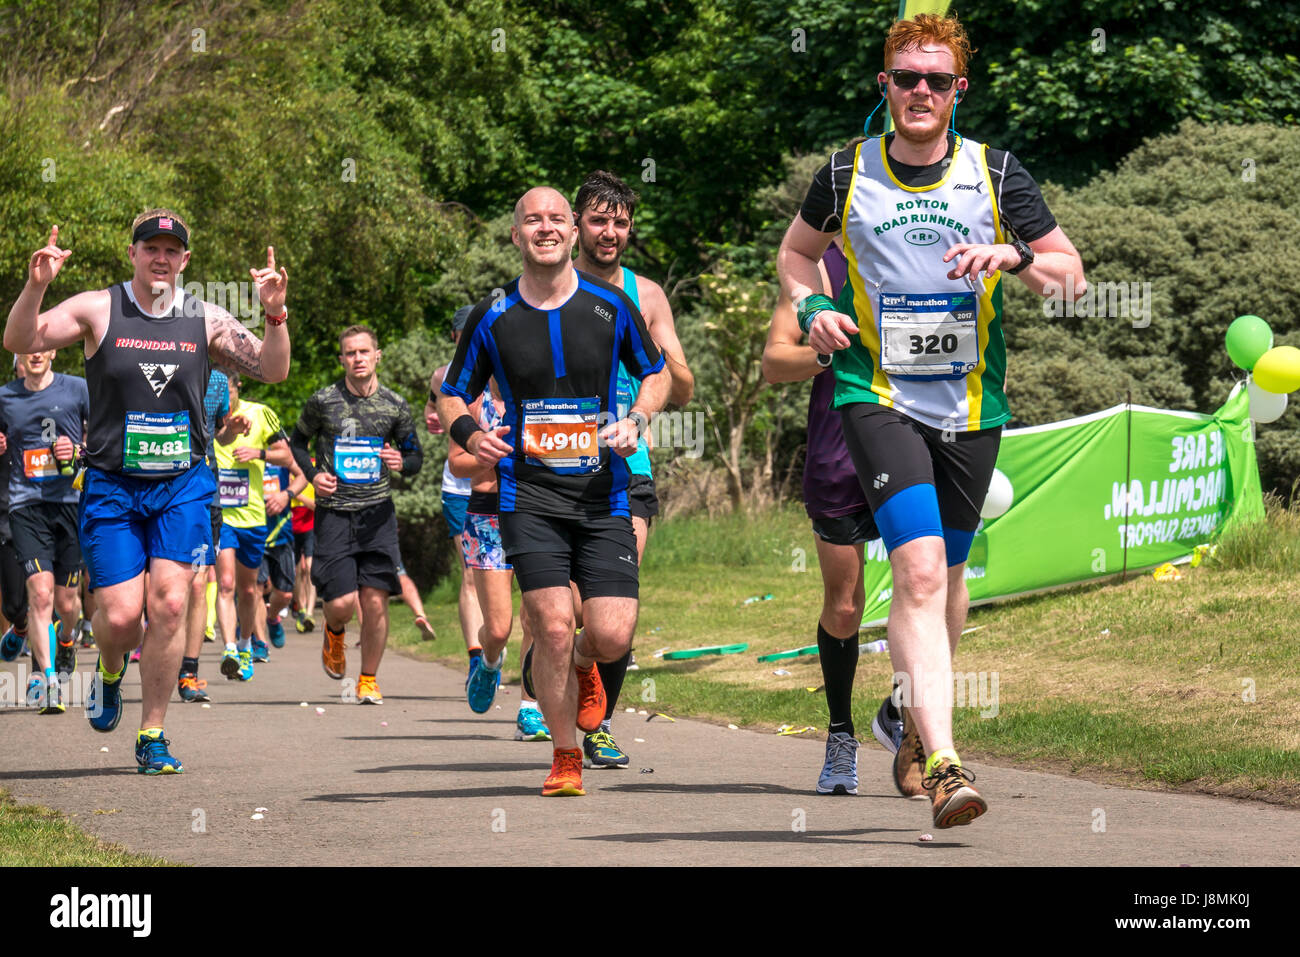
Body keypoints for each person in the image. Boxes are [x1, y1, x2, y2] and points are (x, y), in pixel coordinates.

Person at [776, 12, 1086, 827]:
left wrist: (1014, 257)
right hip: (876, 396)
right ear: (885, 85)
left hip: (971, 406)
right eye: (906, 78)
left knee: (948, 586)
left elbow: (1071, 277)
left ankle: (909, 720)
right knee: (915, 572)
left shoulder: (997, 172)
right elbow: (795, 251)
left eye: (936, 79)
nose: (920, 91)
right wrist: (811, 304)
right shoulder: (846, 171)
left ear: (959, 90)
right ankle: (948, 764)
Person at [4, 211, 290, 774]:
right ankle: (110, 675)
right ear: (131, 253)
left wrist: (276, 313)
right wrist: (37, 284)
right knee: (118, 615)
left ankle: (152, 732)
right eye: (150, 247)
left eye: (171, 250)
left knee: (172, 603)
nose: (161, 257)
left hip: (183, 484)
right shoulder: (97, 308)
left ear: (184, 262)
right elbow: (18, 338)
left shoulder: (205, 318)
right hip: (112, 485)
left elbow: (272, 370)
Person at [437, 186, 668, 797]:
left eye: (557, 219)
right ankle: (566, 754)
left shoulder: (611, 304)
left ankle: (589, 667)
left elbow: (656, 371)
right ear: (516, 236)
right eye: (532, 219)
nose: (546, 227)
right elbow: (452, 389)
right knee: (552, 626)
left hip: (605, 495)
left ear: (572, 233)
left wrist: (638, 420)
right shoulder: (493, 314)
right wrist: (470, 432)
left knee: (611, 632)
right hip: (527, 497)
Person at [764, 229, 899, 795]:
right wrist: (827, 348)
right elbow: (774, 362)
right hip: (840, 450)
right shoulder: (817, 269)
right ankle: (841, 734)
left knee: (930, 587)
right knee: (845, 608)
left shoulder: (928, 248)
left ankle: (900, 713)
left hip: (917, 439)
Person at [569, 170, 694, 769]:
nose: (610, 231)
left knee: (614, 601)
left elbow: (682, 384)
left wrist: (659, 360)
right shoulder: (550, 289)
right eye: (599, 219)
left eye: (620, 221)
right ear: (575, 226)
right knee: (565, 608)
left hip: (627, 466)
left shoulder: (645, 295)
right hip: (556, 467)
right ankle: (559, 661)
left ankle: (599, 724)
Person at [290, 325, 422, 705]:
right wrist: (313, 475)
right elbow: (297, 442)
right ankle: (334, 631)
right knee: (343, 603)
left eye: (364, 351)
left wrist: (403, 461)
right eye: (350, 353)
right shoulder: (323, 401)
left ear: (377, 355)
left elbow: (415, 456)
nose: (358, 359)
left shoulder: (395, 405)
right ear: (341, 360)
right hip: (334, 515)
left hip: (377, 515)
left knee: (376, 599)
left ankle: (367, 679)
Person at [447, 380, 550, 741]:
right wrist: (486, 456)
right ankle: (489, 662)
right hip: (488, 517)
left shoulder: (546, 392)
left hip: (538, 511)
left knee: (539, 616)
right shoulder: (473, 403)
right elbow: (457, 465)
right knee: (498, 629)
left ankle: (530, 708)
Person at [0, 350, 89, 712]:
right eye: (28, 348)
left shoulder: (78, 390)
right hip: (25, 506)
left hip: (69, 504)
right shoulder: (5, 396)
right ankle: (47, 682)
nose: (36, 354)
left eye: (43, 346)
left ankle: (67, 638)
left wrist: (79, 449)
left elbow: (105, 438)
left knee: (67, 604)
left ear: (53, 350)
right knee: (40, 594)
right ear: (19, 354)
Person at [213, 372, 292, 679]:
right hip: (222, 518)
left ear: (237, 388)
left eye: (226, 392)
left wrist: (258, 453)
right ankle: (229, 648)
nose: (221, 400)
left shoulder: (260, 413)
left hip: (253, 518)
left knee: (249, 591)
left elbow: (287, 455)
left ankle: (245, 644)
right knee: (227, 584)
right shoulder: (203, 418)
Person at [425, 306, 484, 673]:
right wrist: (435, 419)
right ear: (455, 337)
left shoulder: (505, 367)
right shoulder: (442, 376)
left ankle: (498, 639)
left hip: (502, 486)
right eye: (465, 335)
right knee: (470, 572)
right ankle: (476, 655)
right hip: (460, 487)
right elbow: (433, 412)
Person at [177, 366, 229, 703]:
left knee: (197, 582)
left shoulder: (219, 381)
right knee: (150, 590)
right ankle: (125, 651)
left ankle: (188, 673)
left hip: (202, 494)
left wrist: (232, 431)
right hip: (149, 491)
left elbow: (218, 432)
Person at [259, 459, 309, 648]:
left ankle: (272, 618)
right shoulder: (242, 445)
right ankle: (258, 644)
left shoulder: (279, 446)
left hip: (281, 532)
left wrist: (286, 495)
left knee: (285, 595)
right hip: (253, 530)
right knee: (254, 590)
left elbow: (303, 475)